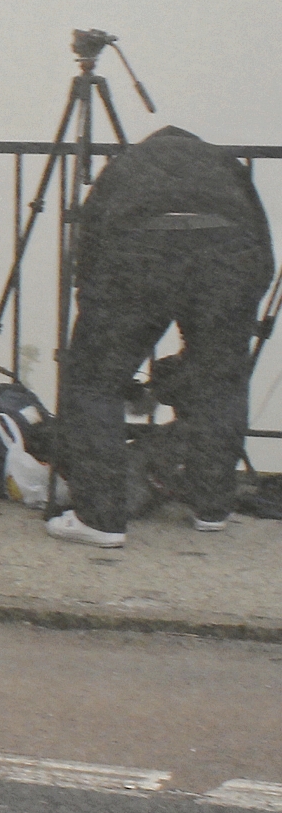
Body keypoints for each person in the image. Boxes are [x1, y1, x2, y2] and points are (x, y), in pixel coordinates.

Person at [45, 125, 273, 547]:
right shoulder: (225, 164)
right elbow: (261, 244)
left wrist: (95, 313)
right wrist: (239, 316)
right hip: (226, 258)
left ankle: (101, 518)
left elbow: (90, 242)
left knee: (94, 381)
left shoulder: (126, 165)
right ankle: (211, 508)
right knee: (222, 382)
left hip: (139, 253)